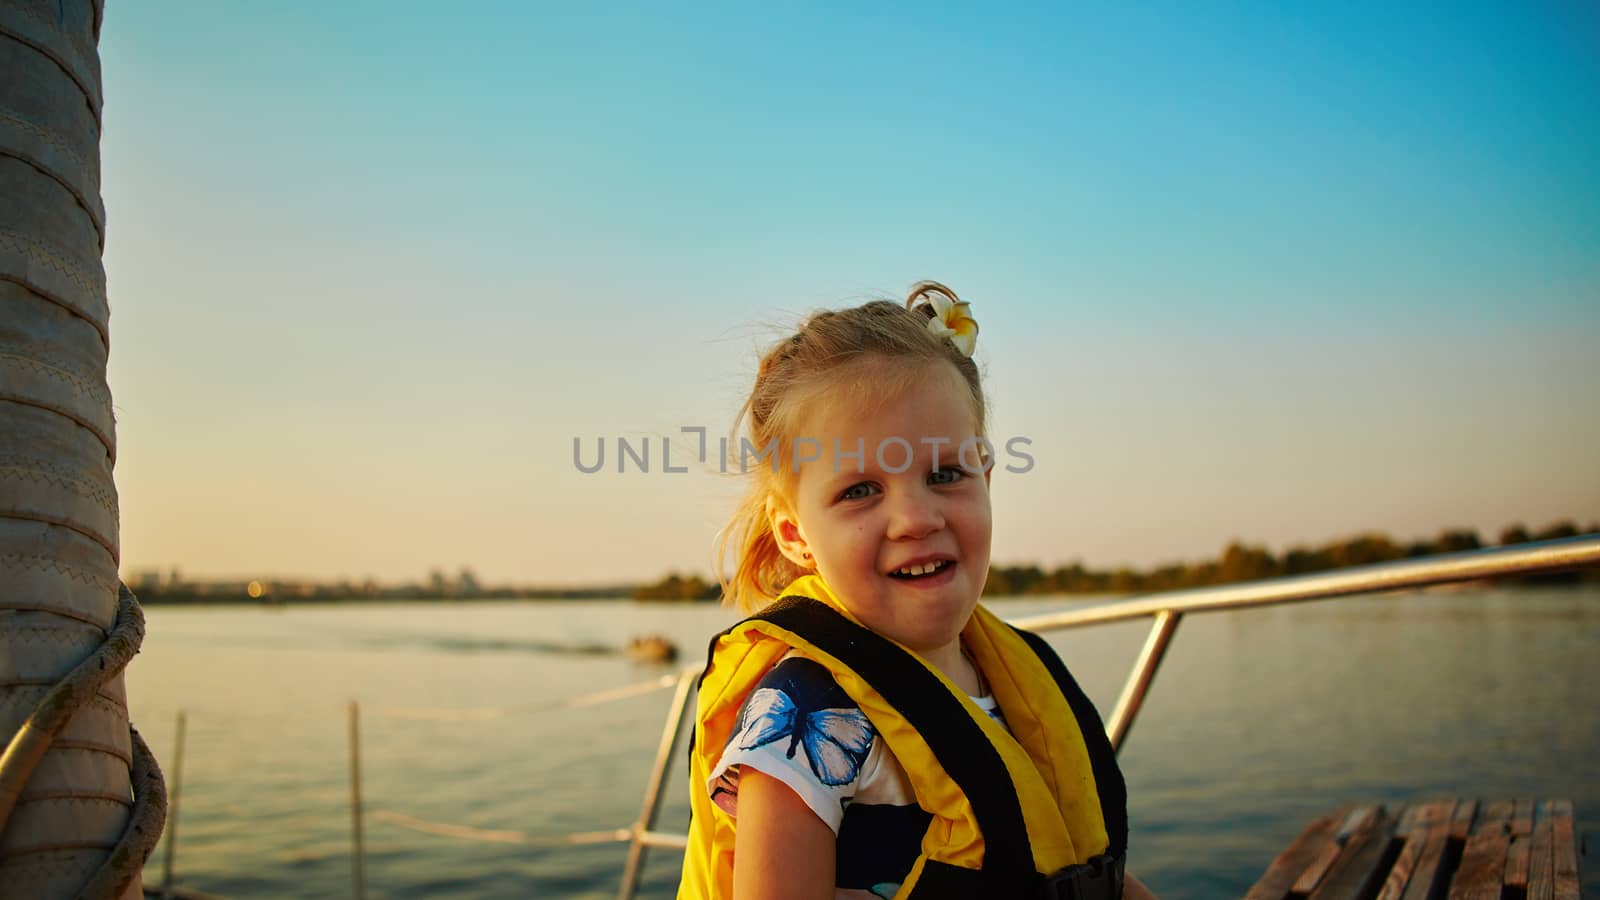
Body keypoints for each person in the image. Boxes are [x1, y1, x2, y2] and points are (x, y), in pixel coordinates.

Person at [678, 283, 1158, 899]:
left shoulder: (1020, 674)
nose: (915, 518)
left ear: (986, 478)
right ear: (796, 535)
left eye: (945, 475)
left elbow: (1085, 873)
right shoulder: (801, 717)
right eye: (859, 491)